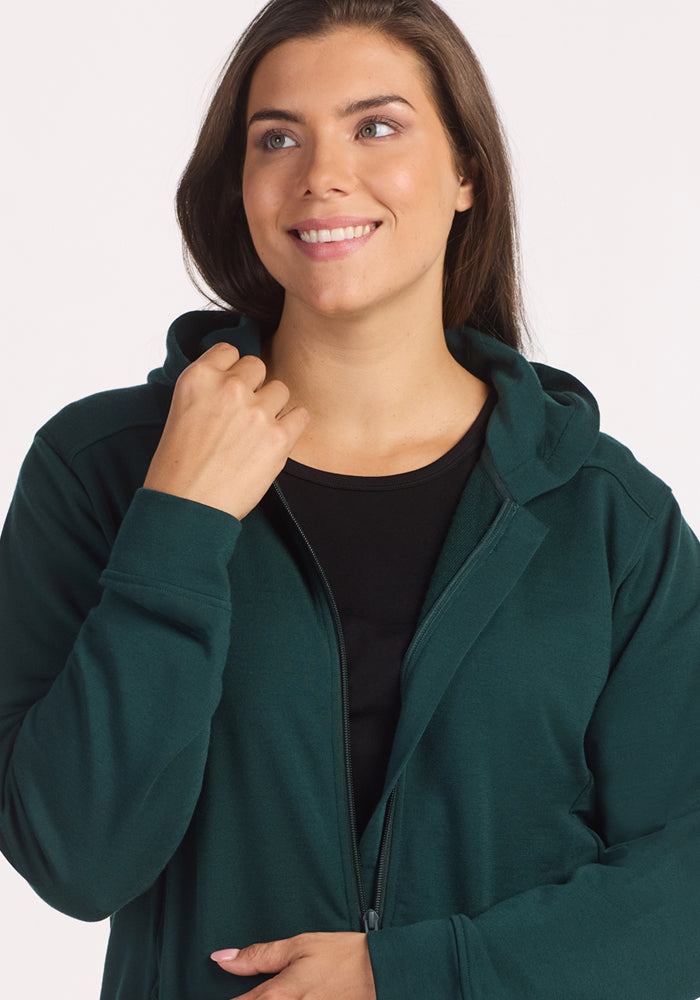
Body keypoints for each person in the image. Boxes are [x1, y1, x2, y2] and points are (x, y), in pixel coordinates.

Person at [1, 0, 699, 997]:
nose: (321, 173)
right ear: (240, 184)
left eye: (375, 126)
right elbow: (76, 860)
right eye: (277, 137)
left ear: (466, 172)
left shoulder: (604, 517)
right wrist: (179, 524)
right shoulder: (104, 469)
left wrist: (405, 974)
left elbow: (683, 889)